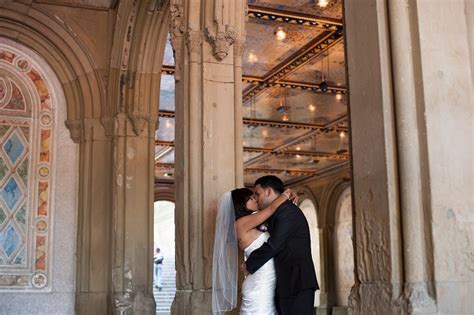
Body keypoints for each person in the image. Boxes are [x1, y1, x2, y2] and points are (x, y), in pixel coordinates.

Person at [211, 186, 297, 315]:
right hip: (259, 283)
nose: (255, 199)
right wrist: (286, 193)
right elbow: (272, 208)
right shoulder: (240, 223)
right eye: (251, 198)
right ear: (241, 204)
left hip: (262, 277)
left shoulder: (252, 220)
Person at [244, 175, 319, 315]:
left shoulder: (287, 212)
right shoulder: (277, 212)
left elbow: (274, 244)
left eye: (257, 193)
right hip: (286, 282)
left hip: (297, 282)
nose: (256, 197)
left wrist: (250, 264)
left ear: (268, 192)